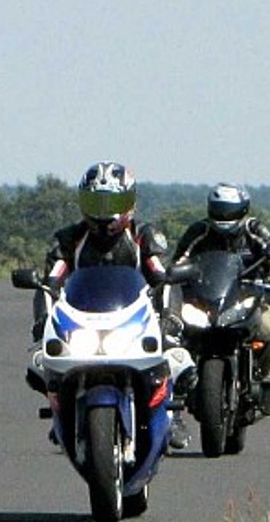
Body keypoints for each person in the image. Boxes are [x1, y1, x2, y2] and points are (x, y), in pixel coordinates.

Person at [37, 161, 193, 450]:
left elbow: (164, 278)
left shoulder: (142, 236)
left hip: (135, 318)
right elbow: (50, 283)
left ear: (130, 202)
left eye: (114, 201)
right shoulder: (70, 239)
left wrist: (170, 319)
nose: (105, 212)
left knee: (176, 356)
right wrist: (43, 323)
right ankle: (62, 414)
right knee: (41, 363)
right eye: (97, 201)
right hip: (83, 321)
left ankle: (173, 415)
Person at [170, 183, 270, 413]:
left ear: (243, 210)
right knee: (175, 335)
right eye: (219, 211)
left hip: (245, 296)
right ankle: (178, 391)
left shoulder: (255, 230)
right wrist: (175, 275)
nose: (224, 216)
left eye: (230, 211)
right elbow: (178, 261)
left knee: (268, 332)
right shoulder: (199, 231)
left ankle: (266, 384)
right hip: (205, 300)